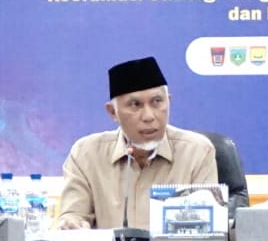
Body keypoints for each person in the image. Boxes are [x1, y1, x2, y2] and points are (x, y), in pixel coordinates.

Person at [55, 57, 217, 230]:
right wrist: (71, 224)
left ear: (168, 102)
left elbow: (207, 230)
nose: (149, 116)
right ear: (113, 112)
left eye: (157, 102)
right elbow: (73, 215)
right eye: (135, 105)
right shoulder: (86, 154)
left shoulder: (197, 152)